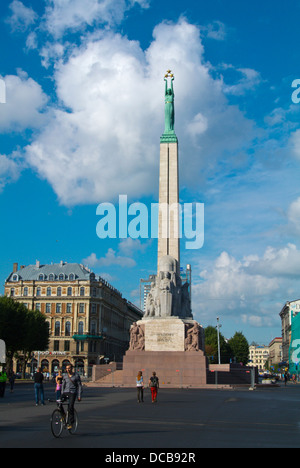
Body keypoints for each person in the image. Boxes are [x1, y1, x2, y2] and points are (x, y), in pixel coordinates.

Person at [61, 364, 82, 429]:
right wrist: (62, 393)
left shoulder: (76, 376)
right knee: (58, 403)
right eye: (67, 368)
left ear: (72, 368)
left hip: (73, 393)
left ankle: (71, 423)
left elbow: (79, 386)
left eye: (69, 368)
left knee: (70, 407)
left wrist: (79, 396)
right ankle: (63, 415)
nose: (67, 370)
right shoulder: (65, 376)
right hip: (65, 392)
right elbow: (63, 385)